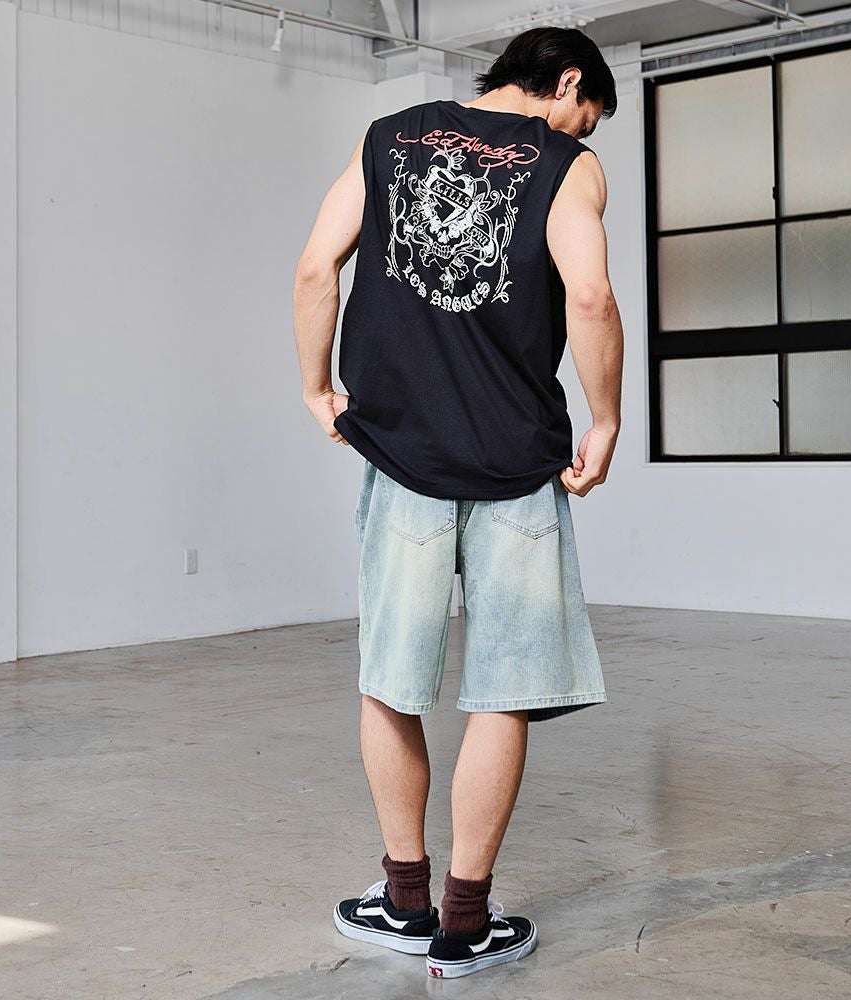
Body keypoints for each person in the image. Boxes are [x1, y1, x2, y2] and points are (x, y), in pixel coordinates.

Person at [292, 26, 623, 980]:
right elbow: (591, 298)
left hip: (403, 454)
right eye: (587, 113)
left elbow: (315, 269)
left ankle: (404, 899)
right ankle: (464, 921)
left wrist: (317, 387)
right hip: (516, 460)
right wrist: (605, 420)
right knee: (503, 690)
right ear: (566, 82)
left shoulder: (387, 138)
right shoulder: (569, 165)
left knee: (390, 681)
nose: (580, 130)